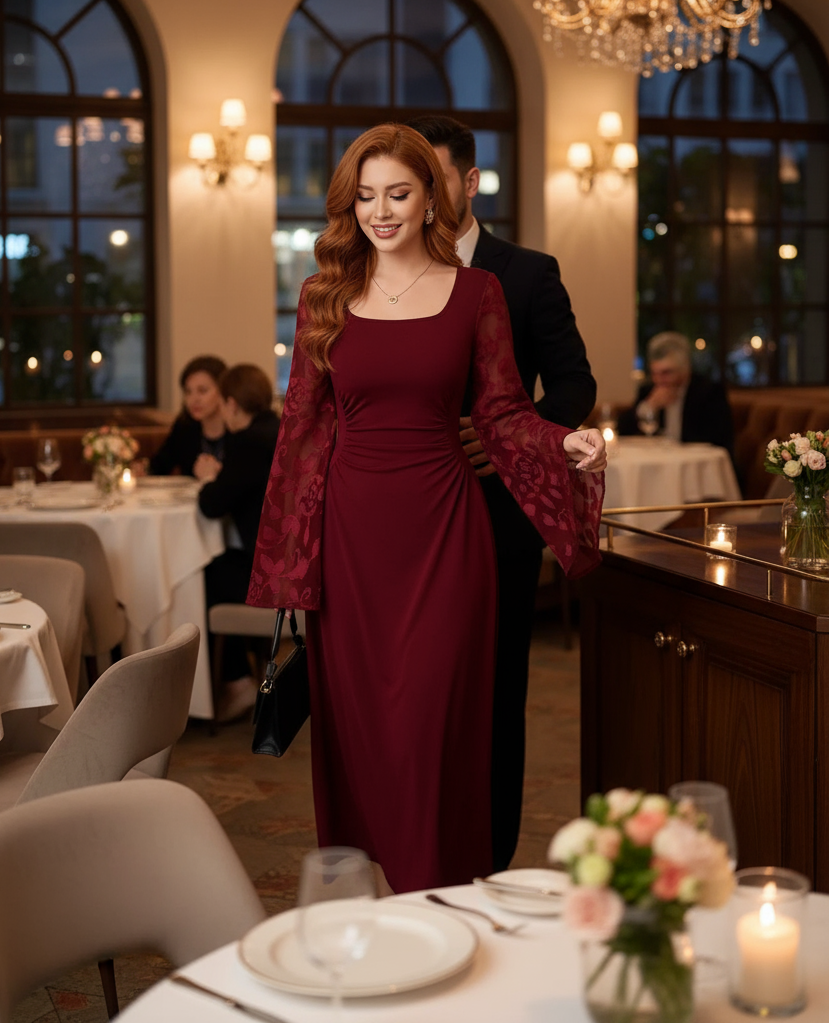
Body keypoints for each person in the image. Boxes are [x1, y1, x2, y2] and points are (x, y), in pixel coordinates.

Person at [246, 124, 606, 894]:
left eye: (399, 193)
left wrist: (561, 446)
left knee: (436, 724)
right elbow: (302, 434)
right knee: (365, 733)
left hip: (448, 535)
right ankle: (377, 905)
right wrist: (289, 563)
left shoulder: (480, 294)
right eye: (366, 195)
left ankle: (446, 897)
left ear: (431, 198)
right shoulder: (324, 297)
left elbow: (505, 411)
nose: (381, 210)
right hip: (351, 544)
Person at [407, 114, 597, 872]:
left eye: (434, 178)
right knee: (418, 692)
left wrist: (508, 435)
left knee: (491, 696)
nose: (419, 197)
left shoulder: (525, 272)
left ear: (469, 182)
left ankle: (488, 858)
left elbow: (576, 386)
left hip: (495, 519)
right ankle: (419, 846)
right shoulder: (389, 271)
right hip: (409, 521)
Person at [197, 364, 280, 721]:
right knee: (220, 564)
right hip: (292, 563)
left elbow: (212, 505)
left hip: (270, 575)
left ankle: (237, 681)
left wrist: (207, 478)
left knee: (204, 570)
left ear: (231, 404)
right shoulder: (277, 430)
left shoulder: (247, 442)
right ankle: (238, 675)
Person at [618, 331, 736, 460]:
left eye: (666, 373)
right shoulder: (648, 390)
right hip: (659, 463)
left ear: (685, 369)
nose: (659, 380)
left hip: (696, 466)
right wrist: (649, 406)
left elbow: (717, 439)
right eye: (654, 373)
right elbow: (623, 430)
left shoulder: (709, 392)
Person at [148, 355, 228, 478]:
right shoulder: (185, 427)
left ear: (222, 391)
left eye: (202, 391)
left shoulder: (238, 429)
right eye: (188, 392)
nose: (193, 399)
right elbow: (158, 466)